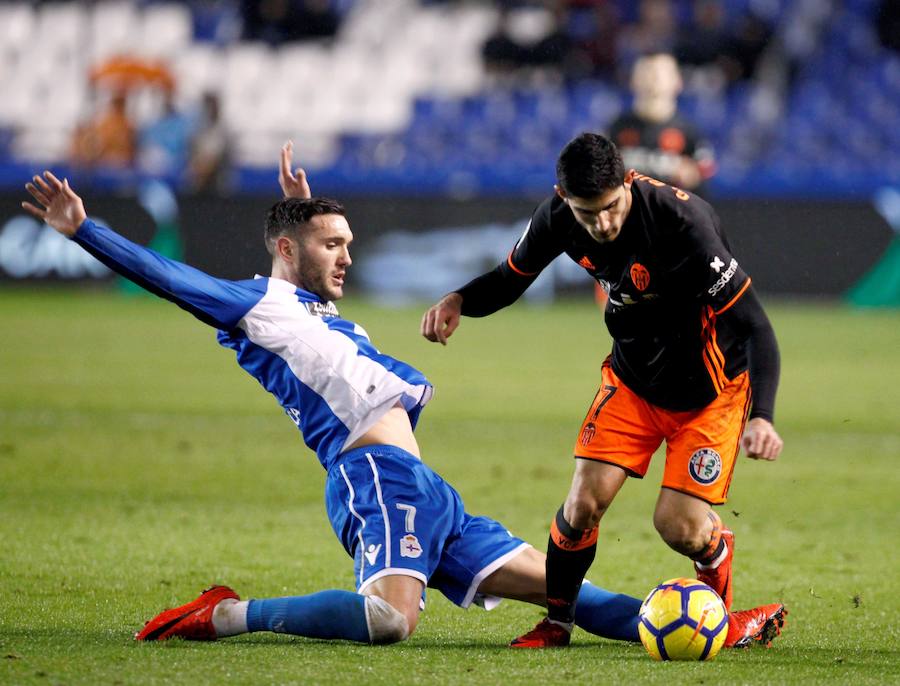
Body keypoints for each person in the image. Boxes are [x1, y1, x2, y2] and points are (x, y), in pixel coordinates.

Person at [21, 145, 783, 649]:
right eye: (333, 245)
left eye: (349, 243)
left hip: (424, 487)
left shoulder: (305, 304)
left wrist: (304, 209)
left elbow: (304, 270)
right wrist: (87, 230)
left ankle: (715, 623)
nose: (348, 256)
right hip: (372, 476)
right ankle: (227, 614)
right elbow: (174, 281)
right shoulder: (253, 305)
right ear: (287, 252)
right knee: (390, 622)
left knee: (566, 593)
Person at [421, 132, 784, 648]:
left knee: (678, 527)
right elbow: (509, 279)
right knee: (582, 505)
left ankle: (714, 567)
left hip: (711, 392)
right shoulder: (557, 218)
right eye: (588, 213)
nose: (603, 223)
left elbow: (757, 327)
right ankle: (558, 623)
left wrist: (762, 416)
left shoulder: (683, 225)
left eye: (611, 208)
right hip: (632, 383)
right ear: (563, 196)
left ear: (628, 182)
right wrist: (459, 299)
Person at [607, 53, 715, 193]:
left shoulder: (690, 132)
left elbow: (704, 175)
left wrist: (691, 174)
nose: (653, 80)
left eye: (660, 74)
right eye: (646, 73)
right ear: (633, 80)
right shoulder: (616, 129)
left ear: (677, 81)